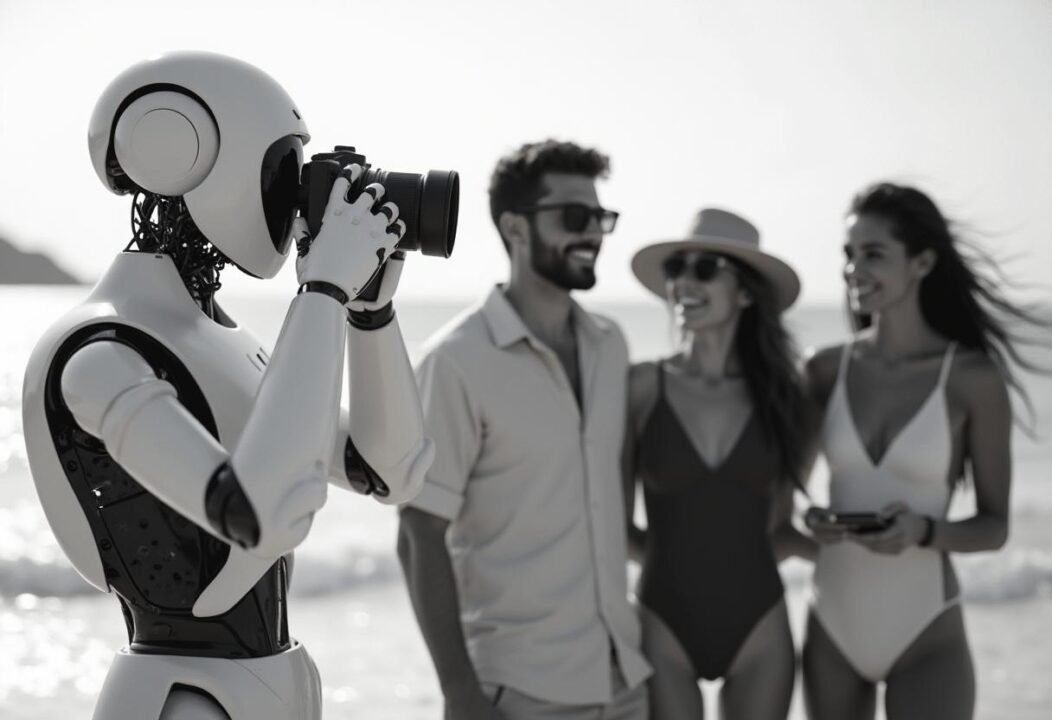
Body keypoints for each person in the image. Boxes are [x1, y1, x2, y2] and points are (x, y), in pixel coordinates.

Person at [20, 51, 434, 719]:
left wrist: (369, 314)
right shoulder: (100, 353)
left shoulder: (220, 341)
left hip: (266, 685)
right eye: (286, 172)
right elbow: (265, 512)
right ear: (183, 150)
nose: (298, 198)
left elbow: (390, 470)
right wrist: (322, 290)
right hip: (181, 698)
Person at [397, 139, 651, 720]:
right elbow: (418, 534)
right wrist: (459, 691)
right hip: (520, 694)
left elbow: (601, 506)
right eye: (575, 217)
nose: (593, 234)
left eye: (600, 218)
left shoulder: (611, 346)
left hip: (626, 678)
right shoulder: (456, 362)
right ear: (515, 228)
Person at [801, 182, 1040, 719]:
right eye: (848, 254)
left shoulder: (972, 379)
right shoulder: (823, 369)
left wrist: (924, 531)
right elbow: (785, 502)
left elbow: (994, 526)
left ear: (923, 262)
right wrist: (812, 520)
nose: (853, 269)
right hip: (832, 625)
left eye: (873, 254)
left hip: (926, 632)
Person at [624, 208, 812, 720]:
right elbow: (612, 527)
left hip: (760, 627)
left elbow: (778, 525)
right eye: (677, 268)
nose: (685, 281)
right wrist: (679, 561)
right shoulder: (640, 388)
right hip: (663, 623)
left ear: (746, 293)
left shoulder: (783, 398)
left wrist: (842, 548)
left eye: (706, 269)